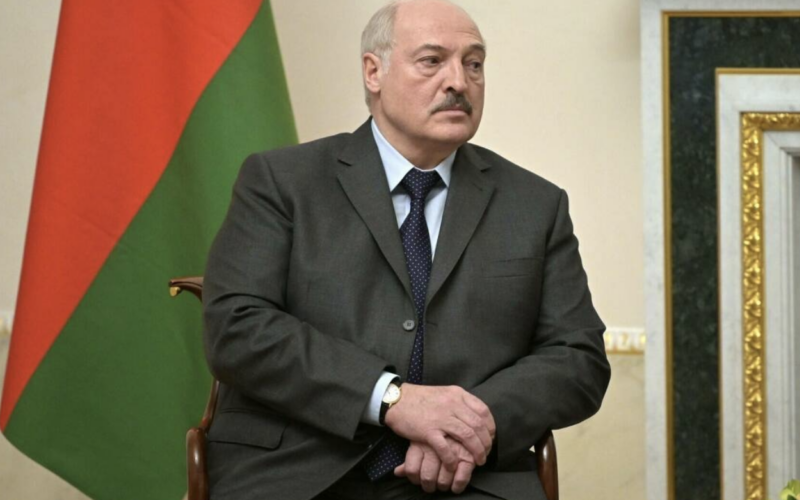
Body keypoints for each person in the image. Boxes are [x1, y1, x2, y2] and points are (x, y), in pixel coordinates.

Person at [202, 1, 610, 499]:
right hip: (300, 471)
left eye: (474, 64)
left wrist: (470, 424)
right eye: (432, 61)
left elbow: (578, 357)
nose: (459, 81)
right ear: (374, 72)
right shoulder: (282, 182)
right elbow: (237, 326)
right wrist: (391, 399)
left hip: (470, 477)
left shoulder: (535, 205)